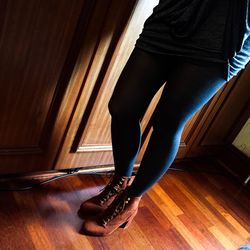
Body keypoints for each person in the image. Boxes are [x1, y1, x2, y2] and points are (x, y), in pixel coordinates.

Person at [79, 0, 250, 236]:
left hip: (226, 35)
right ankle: (121, 180)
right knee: (122, 108)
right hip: (173, 15)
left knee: (167, 124)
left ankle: (130, 200)